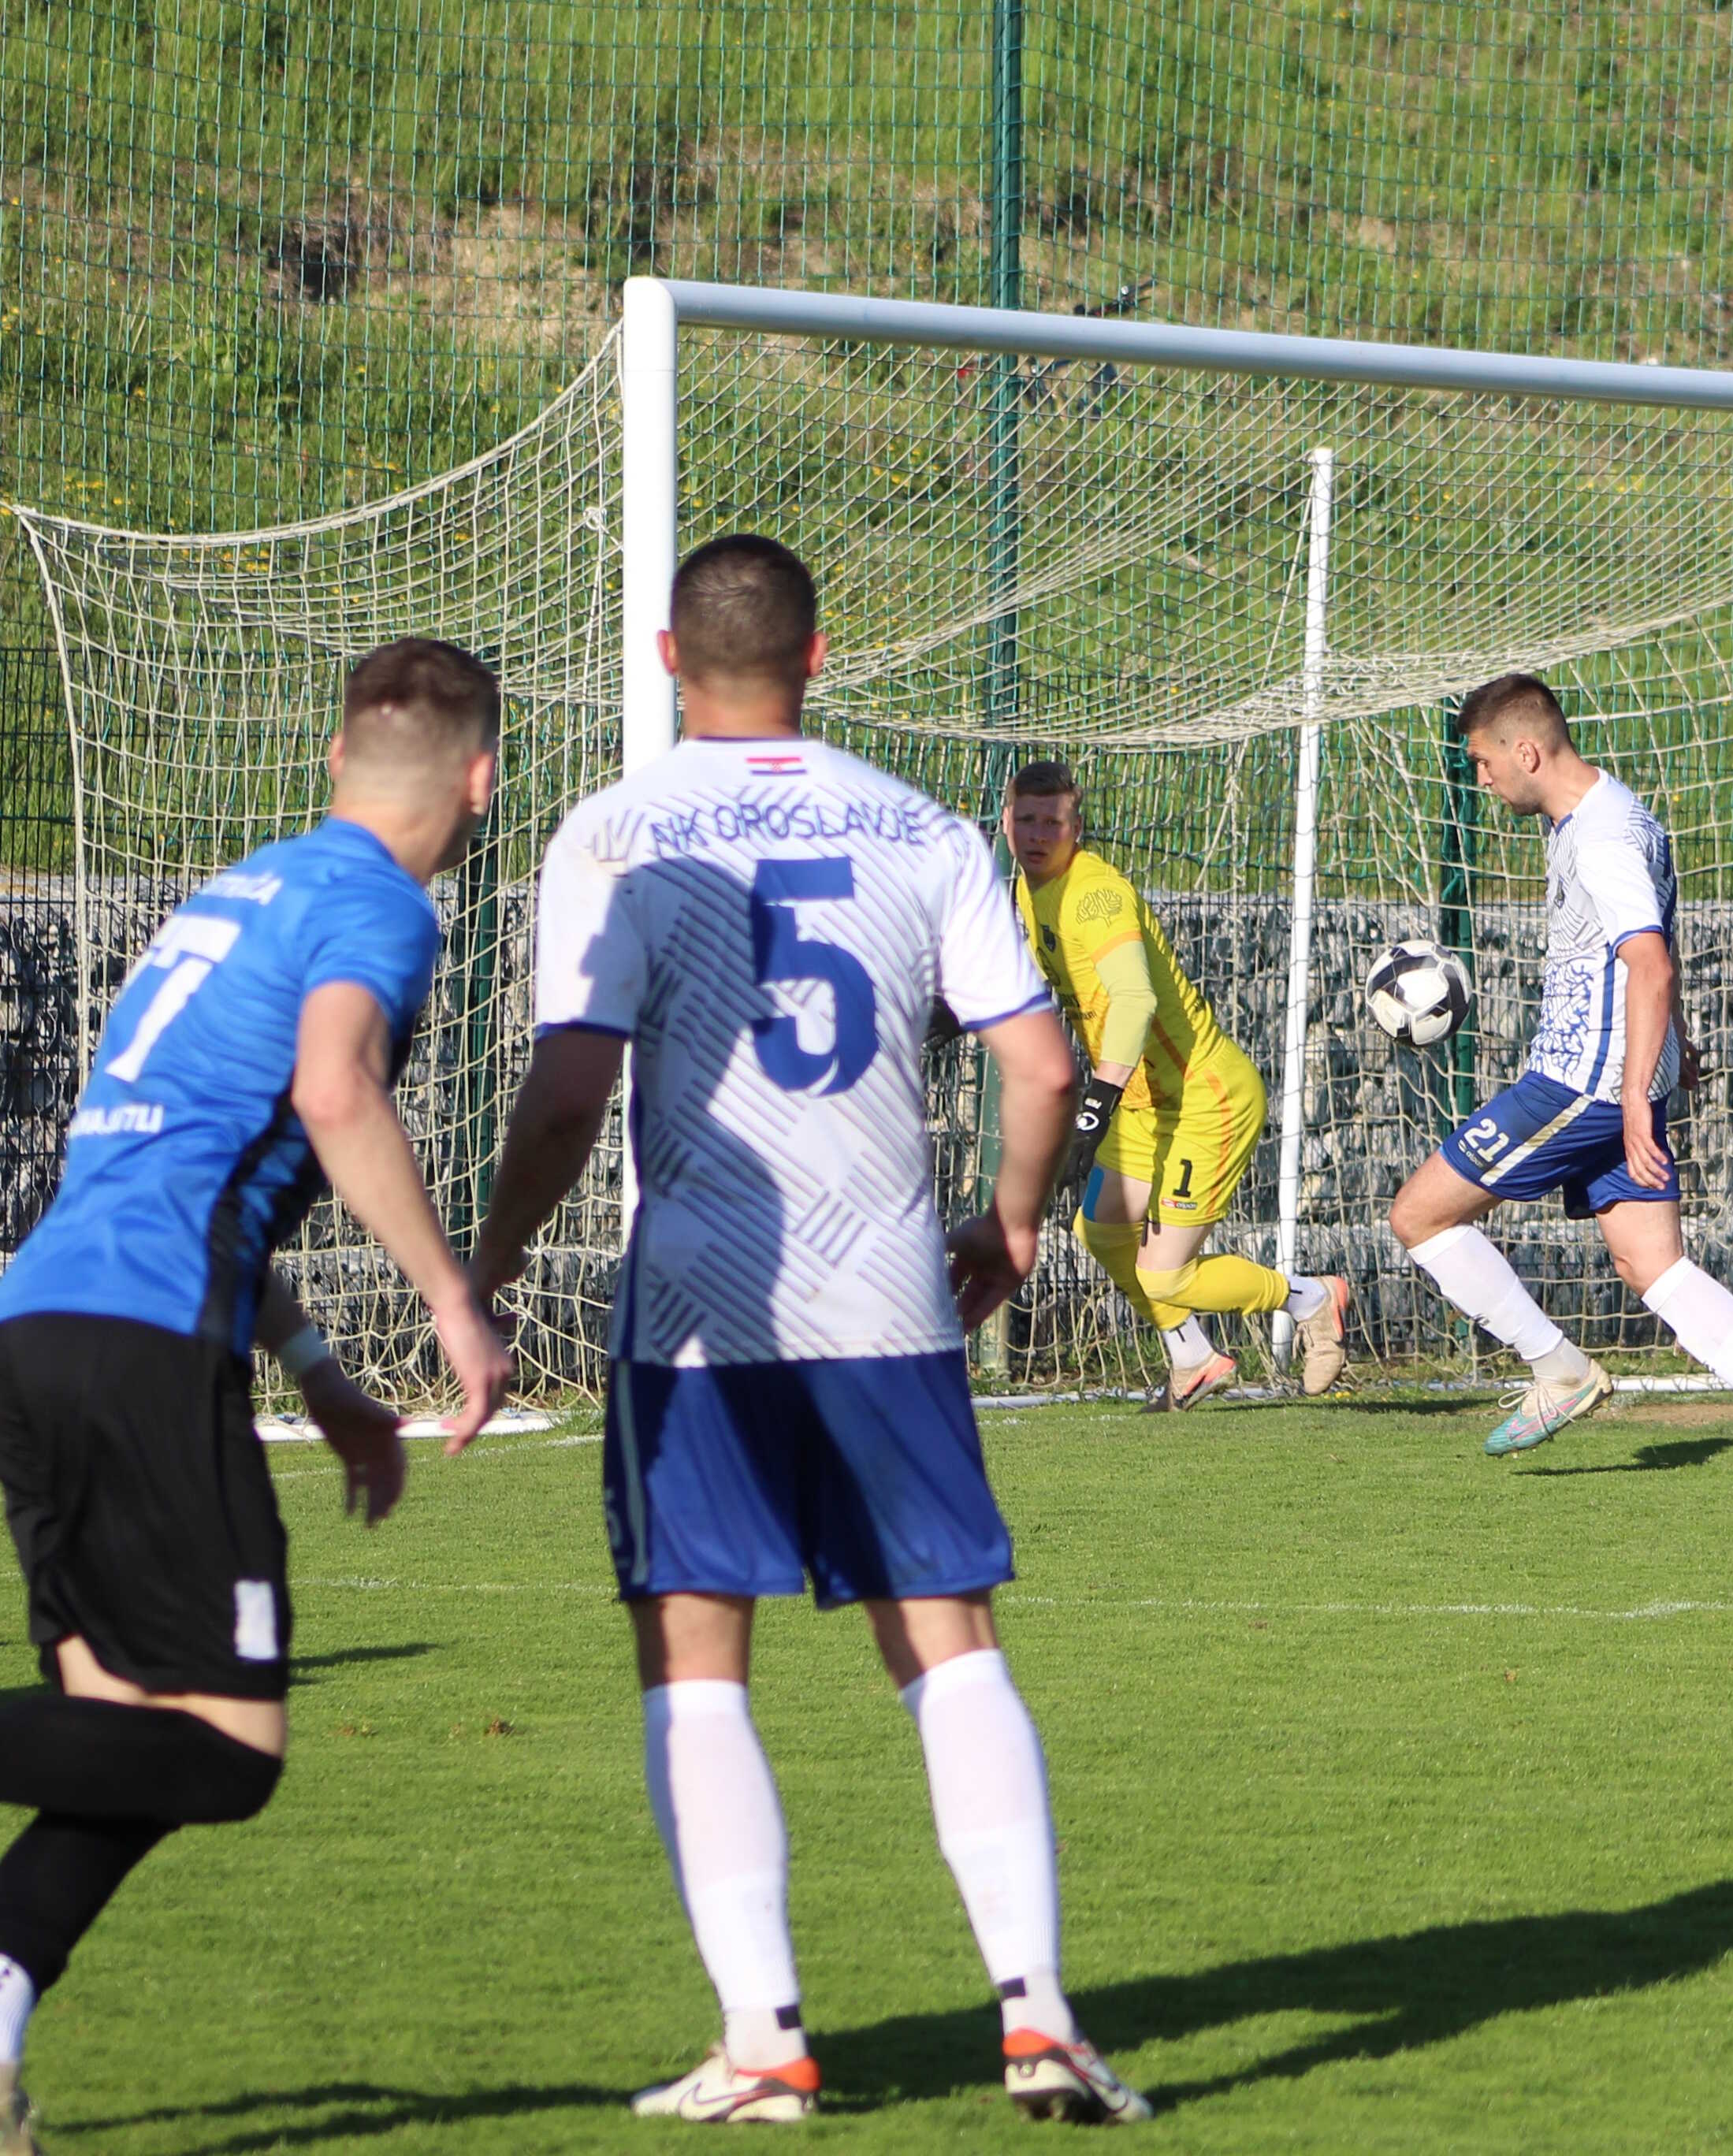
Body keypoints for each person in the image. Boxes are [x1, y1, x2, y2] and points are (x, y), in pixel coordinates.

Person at [466, 535, 1147, 2127]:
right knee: (946, 1639)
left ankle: (764, 2044)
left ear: (665, 658)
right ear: (820, 656)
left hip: (700, 1302)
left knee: (697, 1653)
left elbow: (568, 1093)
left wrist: (487, 1261)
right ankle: (1038, 2016)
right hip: (888, 1292)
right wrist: (1015, 1221)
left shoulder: (617, 830)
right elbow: (1043, 1068)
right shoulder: (925, 829)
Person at [0, 639, 515, 2155]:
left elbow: (179, 1163)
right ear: (481, 780)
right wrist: (450, 1300)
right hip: (144, 1348)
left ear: (337, 759)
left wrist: (319, 1372)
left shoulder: (235, 894)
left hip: (47, 1325)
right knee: (226, 1751)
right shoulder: (379, 905)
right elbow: (334, 1091)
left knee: (121, 1739)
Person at [1385, 672, 1733, 1480]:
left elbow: (1649, 962)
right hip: (1620, 1075)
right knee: (1652, 1264)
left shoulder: (1599, 838)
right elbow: (1650, 947)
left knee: (1419, 1216)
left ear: (1527, 752)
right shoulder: (1615, 813)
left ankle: (1559, 1370)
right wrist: (1674, 1040)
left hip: (1585, 1083)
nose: (1481, 779)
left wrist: (1634, 1096)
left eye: (1485, 761)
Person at [1003, 761, 1350, 1409]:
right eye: (1027, 820)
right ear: (1006, 822)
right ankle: (1193, 1357)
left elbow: (1133, 1001)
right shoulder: (1030, 888)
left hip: (1203, 1097)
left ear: (1078, 828)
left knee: (1164, 1276)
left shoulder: (1096, 896)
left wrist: (1093, 1107)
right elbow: (1040, 972)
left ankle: (1312, 1299)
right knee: (1100, 1231)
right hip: (1143, 1101)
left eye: (1054, 822)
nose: (1039, 834)